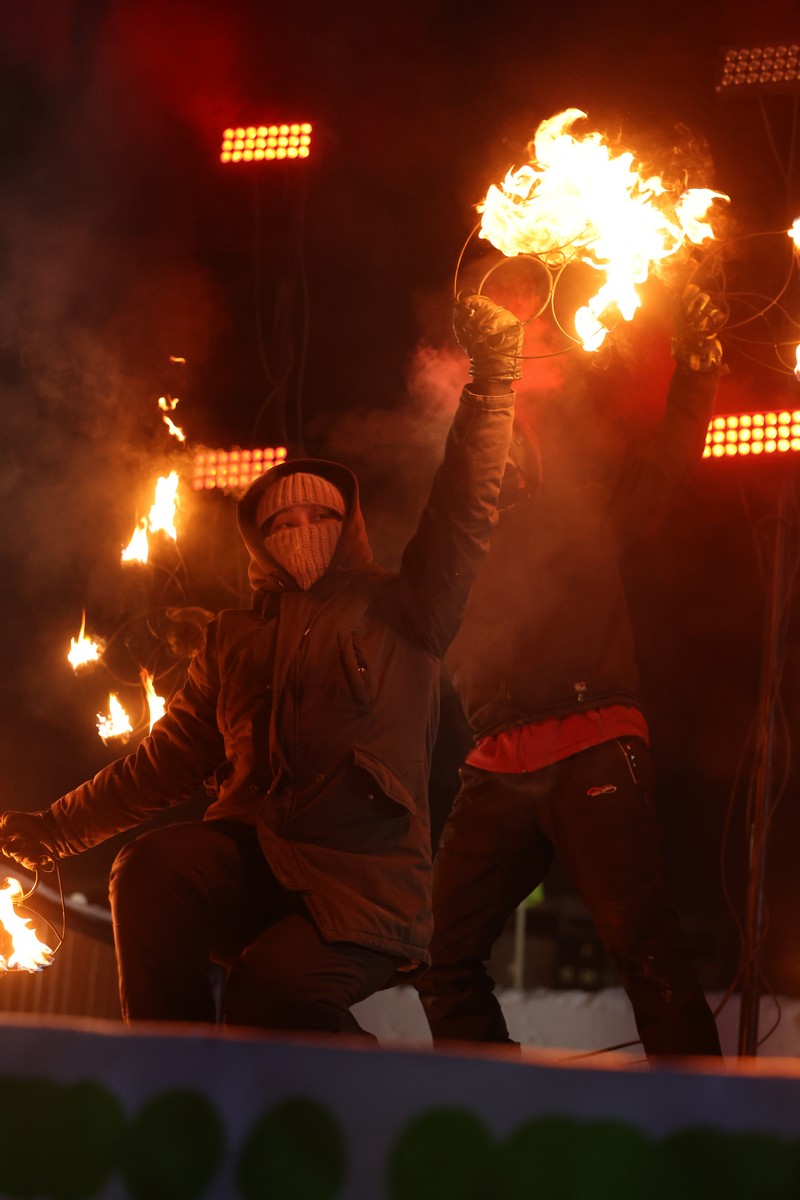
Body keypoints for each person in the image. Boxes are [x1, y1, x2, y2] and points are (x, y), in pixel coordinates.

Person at [0, 295, 519, 1034]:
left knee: (269, 993)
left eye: (320, 516)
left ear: (350, 525)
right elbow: (161, 765)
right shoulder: (233, 638)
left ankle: (368, 1113)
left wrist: (491, 386)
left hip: (361, 882)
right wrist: (50, 831)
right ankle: (172, 1080)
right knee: (150, 868)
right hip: (255, 858)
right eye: (280, 522)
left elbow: (463, 511)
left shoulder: (407, 609)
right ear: (259, 544)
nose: (300, 530)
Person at [415, 285, 726, 1060]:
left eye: (516, 440)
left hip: (592, 739)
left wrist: (696, 367)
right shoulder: (448, 553)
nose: (505, 451)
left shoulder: (581, 510)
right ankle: (496, 1113)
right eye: (491, 441)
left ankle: (704, 1131)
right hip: (496, 765)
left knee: (643, 945)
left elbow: (668, 457)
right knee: (434, 953)